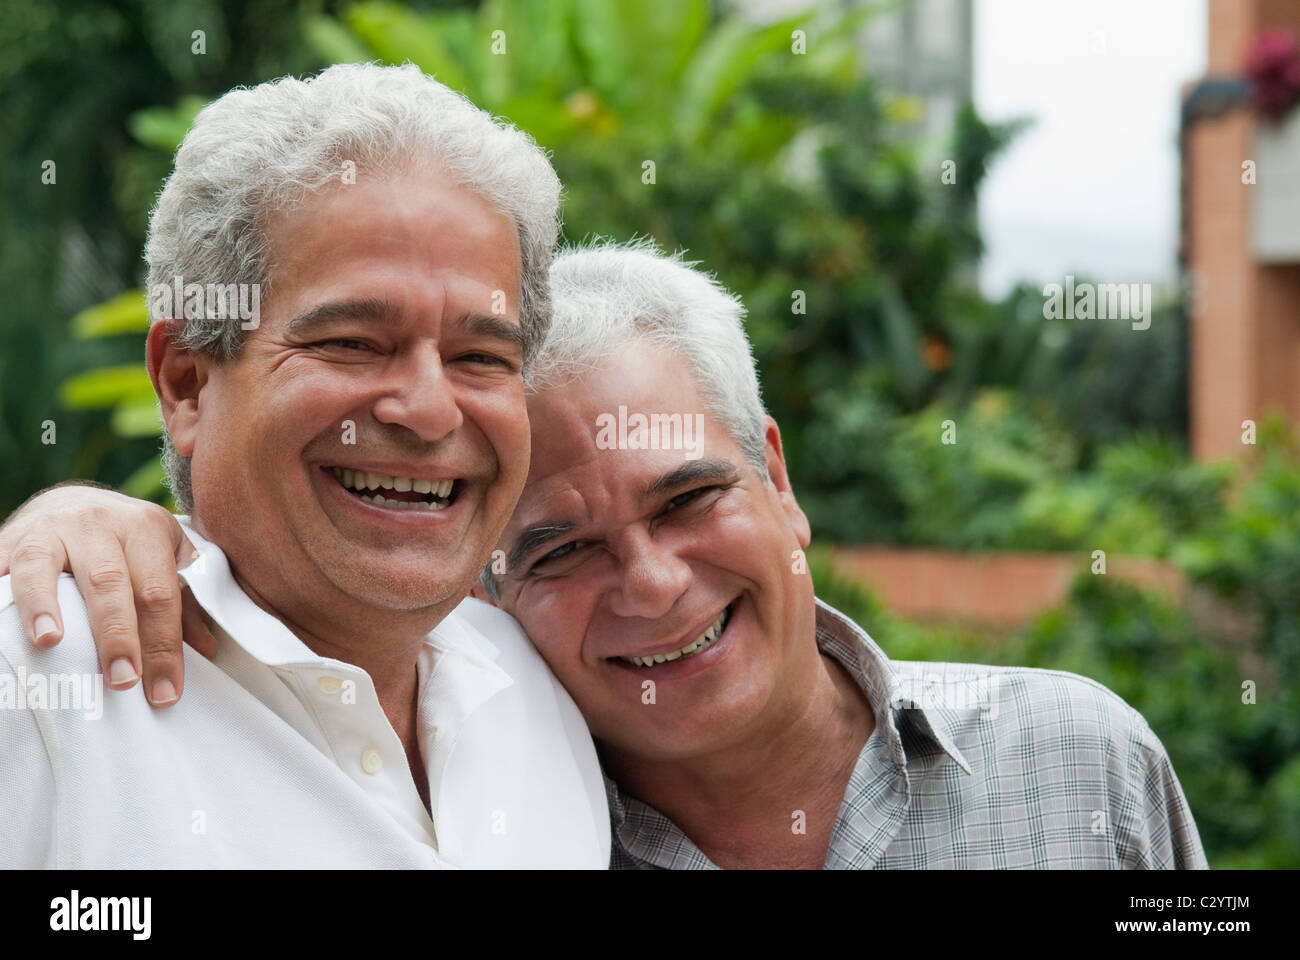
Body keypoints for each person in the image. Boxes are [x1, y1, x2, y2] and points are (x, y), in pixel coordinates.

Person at [3, 239, 1207, 869]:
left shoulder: (1076, 760)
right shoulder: (509, 829)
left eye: (688, 497)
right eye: (560, 548)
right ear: (481, 585)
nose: (650, 583)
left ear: (778, 479)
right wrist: (88, 523)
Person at [0, 63, 609, 868]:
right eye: (350, 343)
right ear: (186, 382)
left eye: (480, 356)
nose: (429, 410)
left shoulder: (542, 685)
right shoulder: (39, 685)